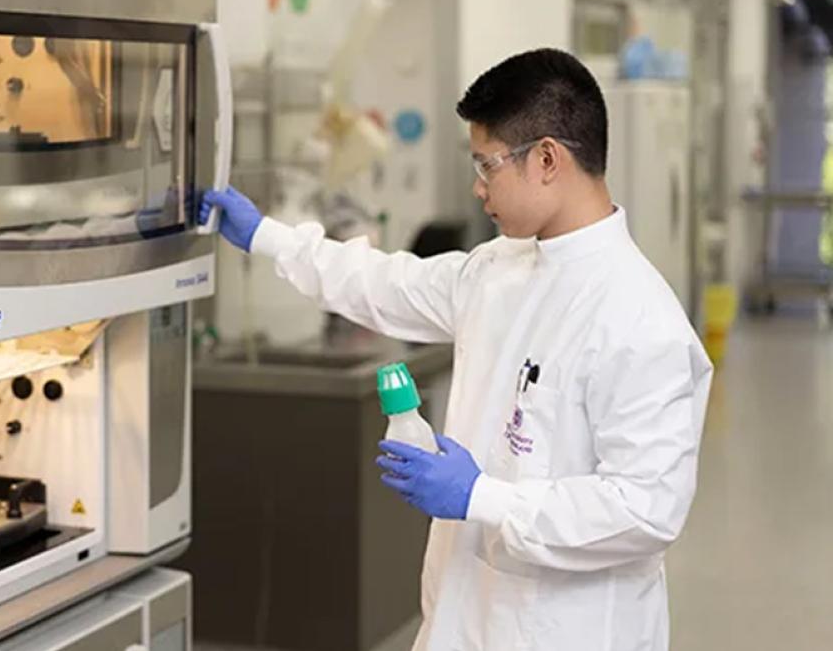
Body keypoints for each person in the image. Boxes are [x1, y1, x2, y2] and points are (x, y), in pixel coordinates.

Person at [198, 48, 712, 651]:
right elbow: (387, 284)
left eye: (487, 165)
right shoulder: (500, 269)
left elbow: (646, 509)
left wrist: (483, 497)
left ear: (547, 159)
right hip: (465, 622)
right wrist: (268, 237)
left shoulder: (640, 320)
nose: (477, 186)